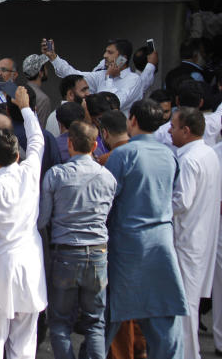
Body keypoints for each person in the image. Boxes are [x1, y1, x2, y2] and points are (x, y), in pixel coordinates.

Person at [104, 99, 187, 358]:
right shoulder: (169, 154)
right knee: (163, 314)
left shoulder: (123, 154)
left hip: (127, 243)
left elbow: (106, 200)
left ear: (133, 121)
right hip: (161, 241)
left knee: (111, 318)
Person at [0, 87, 47, 359]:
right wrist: (26, 109)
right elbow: (37, 139)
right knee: (25, 340)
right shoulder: (30, 171)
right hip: (30, 264)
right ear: (18, 154)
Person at [37, 119, 117, 359]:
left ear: (69, 143)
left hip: (65, 253)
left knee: (60, 323)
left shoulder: (56, 175)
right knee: (95, 323)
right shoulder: (108, 177)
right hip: (98, 253)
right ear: (95, 145)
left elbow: (42, 220)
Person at [169, 107, 221, 359]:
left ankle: (189, 354)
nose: (169, 130)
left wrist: (156, 204)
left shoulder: (190, 159)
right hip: (201, 236)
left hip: (188, 238)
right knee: (188, 302)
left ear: (186, 131)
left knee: (185, 303)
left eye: (174, 126)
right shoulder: (209, 153)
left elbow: (181, 202)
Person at [44, 38, 152, 114]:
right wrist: (53, 57)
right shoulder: (101, 75)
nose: (105, 55)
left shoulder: (133, 80)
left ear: (122, 58)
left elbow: (110, 105)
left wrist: (108, 77)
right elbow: (73, 76)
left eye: (110, 52)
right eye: (106, 52)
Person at [20, 53, 52, 126]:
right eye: (45, 67)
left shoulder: (18, 92)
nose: (47, 70)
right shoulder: (43, 99)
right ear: (41, 73)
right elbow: (41, 130)